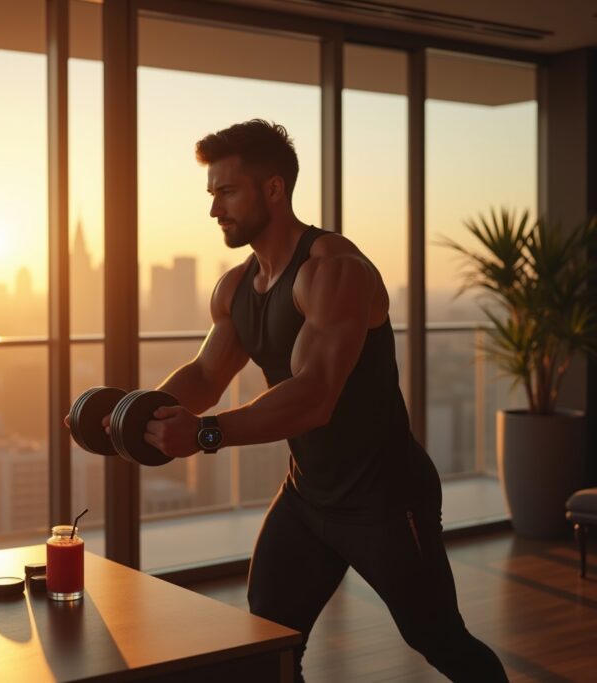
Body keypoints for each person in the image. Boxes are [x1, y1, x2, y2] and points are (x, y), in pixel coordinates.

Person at [130, 119, 507, 682]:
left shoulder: (334, 272)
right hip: (308, 496)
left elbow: (315, 396)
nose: (214, 211)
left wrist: (206, 433)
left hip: (384, 497)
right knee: (267, 645)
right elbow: (207, 374)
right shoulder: (236, 287)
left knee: (439, 639)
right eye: (212, 194)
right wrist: (131, 413)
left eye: (227, 192)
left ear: (274, 189)